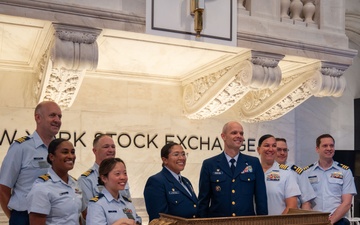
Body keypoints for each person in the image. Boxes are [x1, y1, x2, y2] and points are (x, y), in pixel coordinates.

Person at [0, 101, 62, 225]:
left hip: (56, 217)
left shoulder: (62, 150)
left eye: (59, 116)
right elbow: (3, 188)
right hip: (25, 216)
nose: (57, 120)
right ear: (38, 117)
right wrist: (15, 218)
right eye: (52, 115)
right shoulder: (21, 147)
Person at [198, 121, 268, 218]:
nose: (239, 136)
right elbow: (203, 201)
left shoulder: (254, 163)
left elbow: (261, 199)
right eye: (234, 133)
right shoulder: (209, 164)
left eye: (241, 133)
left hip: (246, 222)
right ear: (223, 136)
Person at [78, 134, 135, 222]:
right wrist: (120, 222)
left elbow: (126, 207)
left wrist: (129, 220)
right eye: (106, 147)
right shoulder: (86, 179)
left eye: (113, 147)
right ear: (95, 150)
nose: (111, 150)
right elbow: (87, 213)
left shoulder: (121, 177)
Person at [26, 138, 84, 225]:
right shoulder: (42, 187)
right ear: (51, 157)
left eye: (72, 152)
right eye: (65, 152)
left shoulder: (75, 184)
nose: (71, 156)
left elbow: (76, 217)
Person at [303, 134, 357, 225]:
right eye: (325, 146)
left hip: (338, 220)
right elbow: (306, 202)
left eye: (331, 145)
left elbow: (347, 203)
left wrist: (329, 222)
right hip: (314, 221)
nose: (329, 148)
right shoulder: (307, 172)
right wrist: (312, 220)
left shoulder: (345, 171)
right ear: (317, 149)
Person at [143, 142, 198, 222]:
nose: (182, 158)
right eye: (176, 154)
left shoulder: (186, 181)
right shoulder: (156, 181)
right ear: (165, 160)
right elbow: (159, 219)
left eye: (183, 154)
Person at [86, 157, 140, 225]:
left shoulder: (127, 203)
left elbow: (137, 221)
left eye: (125, 173)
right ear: (104, 178)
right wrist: (121, 222)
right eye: (117, 174)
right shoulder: (97, 204)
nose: (123, 177)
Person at [257, 134, 301, 215]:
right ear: (258, 149)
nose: (270, 149)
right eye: (267, 145)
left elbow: (292, 206)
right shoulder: (252, 172)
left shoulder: (286, 173)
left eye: (274, 146)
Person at [275, 137, 316, 210]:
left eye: (285, 150)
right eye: (279, 150)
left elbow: (306, 202)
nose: (282, 153)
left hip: (291, 217)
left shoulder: (297, 172)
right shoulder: (263, 170)